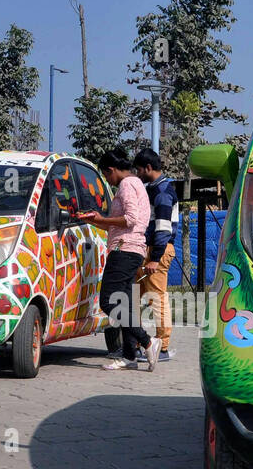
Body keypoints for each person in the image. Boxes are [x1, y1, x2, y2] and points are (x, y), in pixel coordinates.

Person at [75, 149, 162, 371]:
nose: (108, 181)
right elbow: (117, 222)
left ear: (111, 170)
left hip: (124, 249)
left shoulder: (126, 185)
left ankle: (147, 341)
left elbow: (130, 220)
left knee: (108, 301)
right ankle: (129, 355)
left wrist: (104, 219)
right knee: (123, 303)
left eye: (106, 176)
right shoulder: (136, 185)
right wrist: (96, 220)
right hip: (131, 249)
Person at [133, 148, 179, 363]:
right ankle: (136, 343)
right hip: (149, 249)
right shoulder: (154, 189)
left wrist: (154, 258)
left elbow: (163, 228)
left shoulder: (161, 192)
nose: (138, 174)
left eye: (139, 170)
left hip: (156, 250)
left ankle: (162, 348)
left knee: (157, 300)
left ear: (148, 168)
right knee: (133, 297)